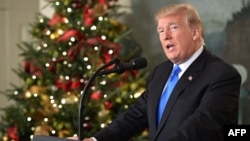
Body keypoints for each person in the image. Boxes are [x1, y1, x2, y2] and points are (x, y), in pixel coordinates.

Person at [68, 3, 242, 141]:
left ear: (195, 32)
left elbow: (202, 126)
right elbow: (136, 115)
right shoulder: (162, 71)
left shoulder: (221, 75)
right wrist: (96, 140)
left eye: (173, 28)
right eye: (160, 30)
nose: (165, 36)